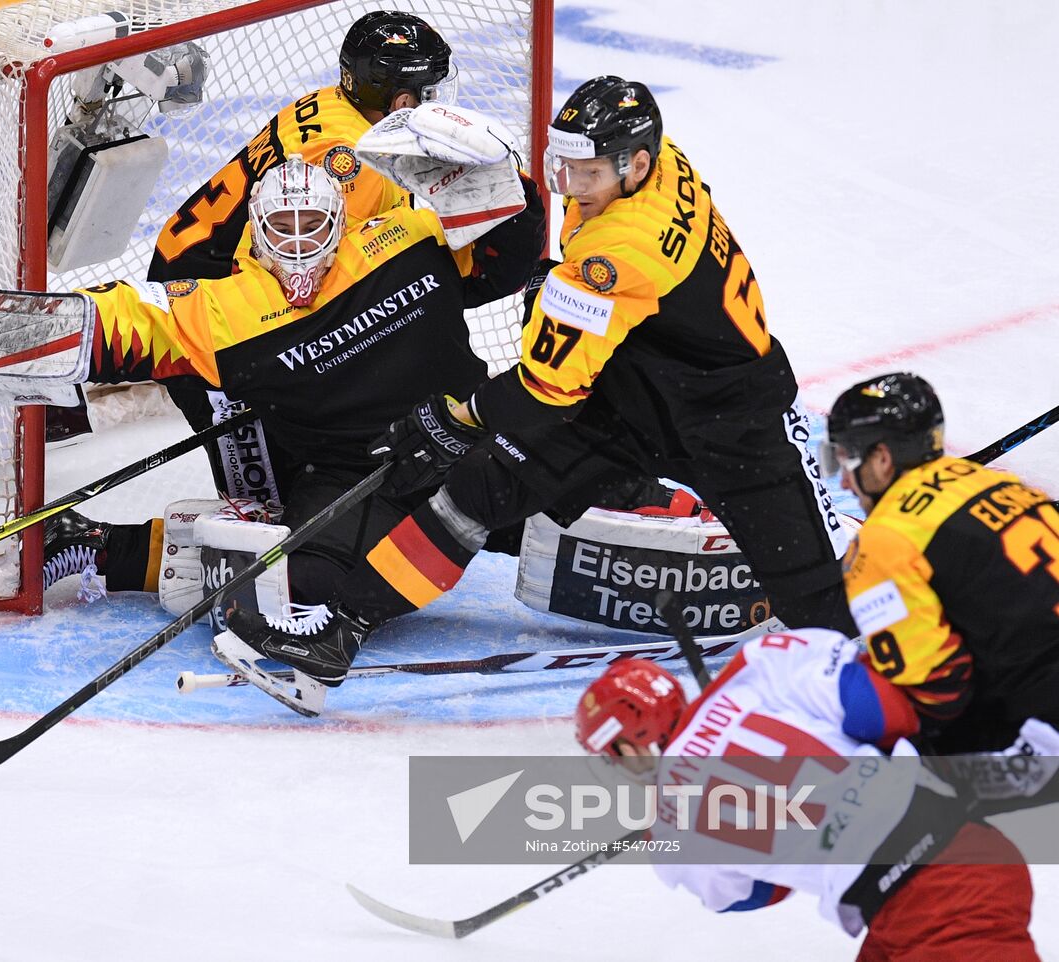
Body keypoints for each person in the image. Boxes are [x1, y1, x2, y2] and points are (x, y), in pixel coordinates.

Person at [216, 75, 855, 714]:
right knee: (478, 488)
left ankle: (875, 691)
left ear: (634, 164)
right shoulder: (659, 161)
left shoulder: (618, 249)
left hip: (729, 418)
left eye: (587, 171)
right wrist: (500, 180)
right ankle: (340, 630)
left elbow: (544, 389)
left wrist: (454, 414)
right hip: (629, 393)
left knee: (812, 591)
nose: (572, 183)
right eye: (564, 165)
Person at [39, 145, 543, 627]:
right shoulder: (226, 306)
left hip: (469, 440)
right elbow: (126, 315)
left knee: (579, 518)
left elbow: (505, 260)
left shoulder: (410, 237)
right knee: (290, 591)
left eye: (313, 224)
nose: (298, 241)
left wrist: (503, 178)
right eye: (282, 226)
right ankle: (100, 544)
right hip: (352, 477)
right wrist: (28, 329)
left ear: (340, 224)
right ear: (257, 233)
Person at [52, 9, 456, 466]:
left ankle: (74, 394)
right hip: (213, 289)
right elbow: (314, 278)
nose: (431, 102)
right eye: (426, 92)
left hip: (198, 256)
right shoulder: (352, 160)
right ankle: (53, 410)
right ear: (398, 96)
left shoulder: (337, 107)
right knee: (268, 491)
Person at [575, 630, 1042, 961]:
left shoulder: (673, 824)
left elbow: (756, 893)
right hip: (950, 865)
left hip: (938, 899)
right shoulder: (760, 668)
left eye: (612, 752)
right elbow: (884, 711)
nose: (618, 765)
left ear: (632, 737)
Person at [825, 372, 1059, 762]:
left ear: (882, 459)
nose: (845, 483)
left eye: (845, 459)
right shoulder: (1003, 485)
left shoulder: (884, 541)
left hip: (1042, 732)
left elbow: (937, 696)